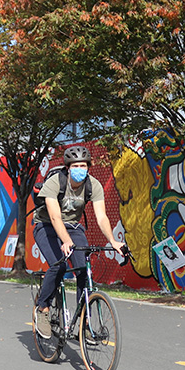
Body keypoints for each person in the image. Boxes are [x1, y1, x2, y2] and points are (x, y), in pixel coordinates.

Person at [33, 145, 124, 338]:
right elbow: (55, 217)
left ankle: (86, 322)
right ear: (67, 167)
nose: (80, 169)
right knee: (59, 265)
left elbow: (101, 217)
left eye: (84, 165)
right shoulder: (55, 182)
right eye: (76, 165)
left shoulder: (93, 185)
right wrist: (65, 241)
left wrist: (113, 241)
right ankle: (42, 309)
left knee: (83, 270)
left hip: (73, 226)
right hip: (46, 225)